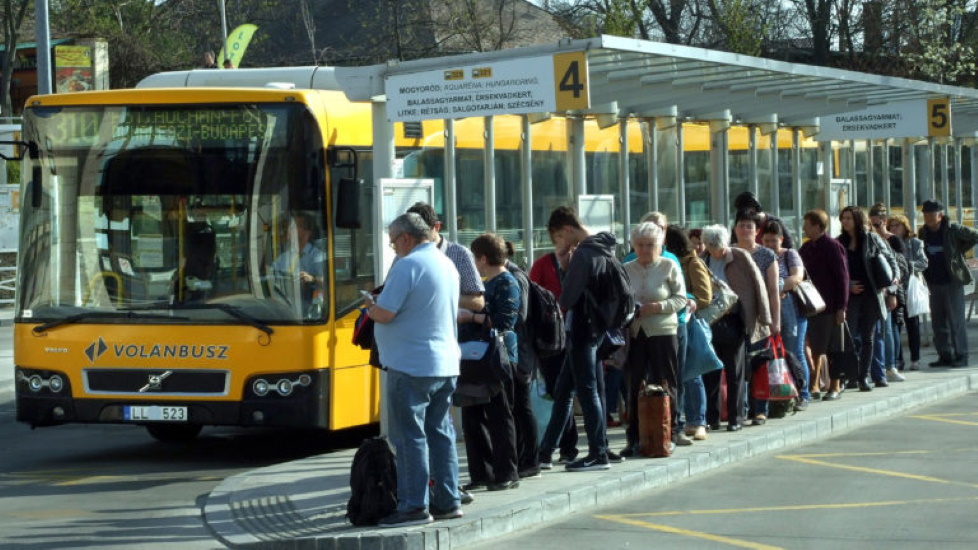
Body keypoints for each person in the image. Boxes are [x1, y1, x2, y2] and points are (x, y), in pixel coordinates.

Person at [366, 213, 462, 527]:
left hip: (410, 365)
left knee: (409, 438)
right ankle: (448, 501)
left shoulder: (408, 265)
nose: (393, 248)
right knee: (440, 434)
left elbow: (385, 313)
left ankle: (413, 507)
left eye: (394, 241)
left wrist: (369, 306)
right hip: (445, 362)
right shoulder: (445, 262)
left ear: (406, 238)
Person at [537, 206, 623, 472]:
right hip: (597, 329)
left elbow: (567, 298)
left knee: (586, 391)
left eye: (557, 239)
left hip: (583, 330)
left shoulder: (584, 254)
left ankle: (598, 453)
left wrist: (564, 268)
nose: (558, 246)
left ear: (567, 230)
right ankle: (545, 451)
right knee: (564, 391)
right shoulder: (605, 247)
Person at [457, 233, 521, 492]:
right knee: (472, 414)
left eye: (474, 257)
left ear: (483, 259)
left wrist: (471, 318)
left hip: (498, 357)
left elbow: (506, 323)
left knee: (499, 414)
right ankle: (482, 472)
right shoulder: (486, 283)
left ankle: (507, 472)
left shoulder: (507, 282)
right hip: (475, 356)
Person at [620, 222, 686, 456]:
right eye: (640, 245)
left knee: (666, 381)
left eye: (650, 245)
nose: (645, 250)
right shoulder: (627, 269)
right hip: (636, 333)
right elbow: (620, 299)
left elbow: (681, 299)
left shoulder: (669, 265)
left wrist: (658, 306)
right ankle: (635, 438)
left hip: (663, 332)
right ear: (633, 246)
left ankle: (670, 433)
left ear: (660, 246)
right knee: (633, 385)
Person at [700, 225, 772, 431]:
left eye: (719, 248)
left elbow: (758, 285)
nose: (717, 252)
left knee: (735, 372)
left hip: (735, 319)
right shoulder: (703, 259)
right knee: (711, 370)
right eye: (712, 248)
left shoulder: (740, 257)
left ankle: (736, 418)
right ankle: (712, 418)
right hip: (710, 321)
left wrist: (765, 318)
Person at [528, 236, 579, 466]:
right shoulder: (542, 264)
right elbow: (532, 296)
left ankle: (565, 446)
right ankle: (566, 446)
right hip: (551, 339)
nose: (566, 248)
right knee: (558, 391)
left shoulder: (581, 264)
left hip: (577, 335)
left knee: (564, 392)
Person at [838, 205, 898, 391]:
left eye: (848, 218)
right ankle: (852, 376)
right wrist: (848, 286)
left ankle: (863, 377)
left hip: (872, 294)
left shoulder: (871, 239)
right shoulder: (839, 242)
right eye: (843, 218)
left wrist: (893, 284)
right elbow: (835, 271)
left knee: (868, 337)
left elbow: (891, 259)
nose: (845, 221)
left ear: (857, 219)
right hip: (851, 297)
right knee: (849, 337)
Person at [732, 209, 780, 426]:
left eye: (749, 226)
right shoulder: (728, 253)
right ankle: (738, 409)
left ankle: (759, 409)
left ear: (757, 230)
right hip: (733, 318)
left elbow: (772, 291)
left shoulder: (766, 255)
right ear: (734, 229)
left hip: (759, 319)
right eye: (741, 226)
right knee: (736, 366)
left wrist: (774, 321)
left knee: (759, 363)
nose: (745, 230)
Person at [665, 224, 712, 442]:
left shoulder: (692, 263)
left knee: (692, 373)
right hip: (673, 322)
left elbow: (705, 295)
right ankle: (686, 420)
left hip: (690, 322)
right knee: (681, 374)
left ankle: (698, 420)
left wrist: (685, 299)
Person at [918, 199, 978, 367]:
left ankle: (961, 355)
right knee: (938, 322)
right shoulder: (924, 232)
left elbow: (975, 236)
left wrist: (959, 251)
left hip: (952, 282)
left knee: (956, 322)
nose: (928, 217)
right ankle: (945, 355)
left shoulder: (952, 229)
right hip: (933, 283)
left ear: (940, 215)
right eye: (926, 214)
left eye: (931, 214)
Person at [798, 209, 849, 401]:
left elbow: (842, 278)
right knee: (815, 347)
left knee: (833, 346)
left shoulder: (833, 246)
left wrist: (842, 307)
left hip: (830, 307)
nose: (804, 228)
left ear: (818, 226)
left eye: (807, 224)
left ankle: (834, 386)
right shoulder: (806, 248)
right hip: (811, 307)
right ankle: (814, 384)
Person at [760, 220, 810, 410]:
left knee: (794, 352)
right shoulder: (762, 256)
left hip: (792, 310)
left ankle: (803, 394)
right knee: (773, 352)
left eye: (774, 240)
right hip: (768, 308)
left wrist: (775, 287)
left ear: (781, 239)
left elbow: (797, 277)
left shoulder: (789, 254)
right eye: (766, 240)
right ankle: (782, 394)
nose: (770, 244)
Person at [503, 242, 541, 479]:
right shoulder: (509, 275)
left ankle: (532, 460)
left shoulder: (515, 277)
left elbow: (520, 316)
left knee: (522, 407)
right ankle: (523, 457)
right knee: (517, 406)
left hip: (522, 352)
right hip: (516, 352)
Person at [406, 202, 485, 312]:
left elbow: (478, 302)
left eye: (422, 232)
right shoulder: (406, 254)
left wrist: (438, 296)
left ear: (437, 227)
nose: (417, 238)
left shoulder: (460, 254)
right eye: (412, 233)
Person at [869, 202, 908, 383]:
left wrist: (892, 291)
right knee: (876, 331)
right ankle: (877, 366)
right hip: (875, 291)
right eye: (871, 225)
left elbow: (899, 266)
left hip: (890, 290)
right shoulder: (868, 239)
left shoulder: (892, 241)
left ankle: (891, 365)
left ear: (884, 222)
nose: (874, 228)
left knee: (890, 328)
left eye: (877, 225)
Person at [887, 214, 928, 370]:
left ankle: (915, 358)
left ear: (905, 226)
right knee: (896, 324)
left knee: (912, 324)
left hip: (909, 286)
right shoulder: (888, 242)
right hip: (895, 288)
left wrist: (906, 265)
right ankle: (898, 359)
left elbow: (924, 262)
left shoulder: (914, 243)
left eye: (897, 225)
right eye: (891, 226)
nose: (894, 228)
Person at [270, 212, 324, 315]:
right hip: (284, 311)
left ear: (307, 232)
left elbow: (329, 282)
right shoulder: (283, 258)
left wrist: (312, 279)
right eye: (291, 227)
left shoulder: (317, 256)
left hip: (310, 313)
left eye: (295, 226)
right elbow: (270, 276)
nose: (290, 230)